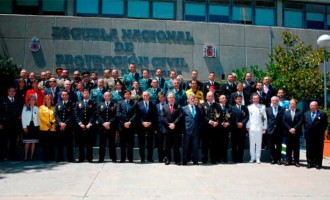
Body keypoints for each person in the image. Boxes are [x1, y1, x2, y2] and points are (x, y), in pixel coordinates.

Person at [302, 101, 328, 169]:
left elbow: (325, 124)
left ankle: (318, 164)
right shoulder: (306, 114)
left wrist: (321, 132)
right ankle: (310, 163)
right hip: (309, 135)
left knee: (318, 150)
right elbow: (305, 124)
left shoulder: (322, 114)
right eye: (311, 105)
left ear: (317, 106)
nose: (312, 107)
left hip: (318, 135)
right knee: (309, 149)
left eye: (313, 105)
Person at [0, 87, 22, 161]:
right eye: (11, 91)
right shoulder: (3, 100)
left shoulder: (17, 101)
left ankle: (13, 156)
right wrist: (0, 123)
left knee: (13, 141)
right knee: (3, 141)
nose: (12, 93)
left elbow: (19, 112)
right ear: (8, 92)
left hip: (15, 124)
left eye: (14, 91)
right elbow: (1, 113)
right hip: (5, 124)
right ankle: (2, 156)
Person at [136, 91, 158, 162]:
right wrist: (142, 122)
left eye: (147, 95)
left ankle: (149, 158)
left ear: (149, 96)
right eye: (144, 95)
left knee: (150, 143)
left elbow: (154, 115)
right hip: (141, 126)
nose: (145, 97)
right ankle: (142, 158)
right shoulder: (138, 104)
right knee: (141, 143)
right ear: (142, 96)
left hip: (150, 126)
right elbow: (137, 115)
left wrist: (150, 122)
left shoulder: (153, 104)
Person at [75, 89, 96, 162]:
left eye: (87, 93)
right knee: (81, 143)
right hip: (81, 126)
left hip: (89, 126)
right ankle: (81, 157)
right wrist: (80, 123)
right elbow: (76, 114)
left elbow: (94, 114)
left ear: (89, 94)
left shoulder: (92, 103)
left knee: (89, 143)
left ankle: (89, 158)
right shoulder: (78, 103)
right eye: (84, 93)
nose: (86, 94)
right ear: (82, 94)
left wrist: (90, 124)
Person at [162, 92, 183, 165]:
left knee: (176, 146)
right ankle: (167, 159)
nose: (171, 99)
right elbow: (163, 117)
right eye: (169, 98)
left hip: (176, 129)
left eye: (172, 97)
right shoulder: (164, 107)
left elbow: (180, 116)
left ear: (174, 98)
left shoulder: (179, 106)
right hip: (167, 129)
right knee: (167, 146)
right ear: (167, 99)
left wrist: (174, 124)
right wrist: (169, 124)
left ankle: (177, 160)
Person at [201, 91, 221, 164]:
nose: (210, 97)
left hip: (215, 128)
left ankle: (213, 159)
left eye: (212, 96)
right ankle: (204, 159)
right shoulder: (203, 105)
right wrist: (209, 121)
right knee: (205, 144)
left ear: (213, 97)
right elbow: (202, 116)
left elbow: (220, 115)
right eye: (209, 96)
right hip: (206, 128)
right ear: (206, 97)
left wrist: (217, 122)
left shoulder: (217, 105)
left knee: (214, 144)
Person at [246, 93, 267, 164]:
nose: (255, 100)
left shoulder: (262, 107)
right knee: (251, 144)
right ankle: (252, 158)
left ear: (259, 99)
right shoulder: (249, 107)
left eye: (257, 98)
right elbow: (248, 118)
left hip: (259, 127)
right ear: (252, 99)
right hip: (251, 128)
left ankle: (258, 158)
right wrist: (247, 126)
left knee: (259, 143)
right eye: (254, 98)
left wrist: (264, 128)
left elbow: (264, 118)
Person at [54, 90, 75, 162]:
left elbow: (72, 115)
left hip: (68, 126)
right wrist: (60, 123)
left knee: (69, 143)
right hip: (59, 126)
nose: (64, 96)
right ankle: (59, 158)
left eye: (65, 95)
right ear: (61, 96)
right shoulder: (58, 104)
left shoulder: (72, 104)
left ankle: (70, 158)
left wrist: (65, 123)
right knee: (59, 143)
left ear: (68, 96)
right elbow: (56, 115)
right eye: (63, 95)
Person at [117, 90, 137, 163]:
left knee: (130, 143)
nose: (127, 95)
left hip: (131, 126)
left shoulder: (134, 103)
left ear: (130, 95)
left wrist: (129, 122)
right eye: (126, 94)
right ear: (124, 95)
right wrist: (124, 122)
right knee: (122, 143)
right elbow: (118, 114)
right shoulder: (120, 103)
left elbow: (135, 114)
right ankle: (122, 158)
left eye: (128, 94)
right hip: (122, 126)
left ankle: (130, 158)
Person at [181, 94, 202, 165]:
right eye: (191, 99)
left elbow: (199, 119)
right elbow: (181, 120)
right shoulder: (184, 108)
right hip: (187, 130)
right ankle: (184, 160)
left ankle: (195, 161)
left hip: (196, 130)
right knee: (186, 146)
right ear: (188, 100)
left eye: (193, 98)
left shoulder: (198, 108)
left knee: (195, 146)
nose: (192, 100)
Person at [97, 92, 117, 163]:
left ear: (110, 96)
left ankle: (113, 158)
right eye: (105, 96)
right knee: (102, 144)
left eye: (108, 95)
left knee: (112, 143)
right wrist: (103, 123)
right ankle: (101, 158)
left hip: (111, 127)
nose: (107, 97)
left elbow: (115, 115)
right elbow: (98, 115)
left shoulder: (114, 105)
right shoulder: (100, 105)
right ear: (103, 96)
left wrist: (109, 122)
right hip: (102, 127)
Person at [283, 99, 303, 167]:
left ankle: (296, 161)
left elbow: (300, 122)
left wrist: (294, 128)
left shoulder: (300, 112)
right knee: (288, 147)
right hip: (288, 132)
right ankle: (288, 160)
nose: (291, 105)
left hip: (296, 132)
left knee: (296, 148)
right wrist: (289, 129)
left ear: (296, 104)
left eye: (293, 103)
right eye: (290, 104)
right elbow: (284, 121)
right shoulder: (286, 112)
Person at [266, 96, 285, 165]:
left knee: (279, 145)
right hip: (271, 130)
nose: (274, 102)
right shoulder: (267, 109)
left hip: (279, 130)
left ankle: (279, 159)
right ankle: (273, 159)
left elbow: (284, 120)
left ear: (278, 101)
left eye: (276, 100)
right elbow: (266, 120)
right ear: (271, 101)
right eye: (273, 100)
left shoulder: (282, 109)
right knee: (271, 146)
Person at [230, 95, 249, 163]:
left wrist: (242, 123)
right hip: (234, 128)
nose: (239, 100)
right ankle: (234, 159)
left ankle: (240, 158)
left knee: (241, 144)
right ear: (235, 100)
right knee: (234, 144)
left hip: (242, 129)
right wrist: (236, 123)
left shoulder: (244, 107)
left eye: (240, 99)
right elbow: (230, 117)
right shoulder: (232, 107)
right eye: (238, 99)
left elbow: (247, 116)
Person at [21, 95, 40, 161]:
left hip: (35, 126)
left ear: (35, 101)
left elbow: (39, 118)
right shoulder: (25, 107)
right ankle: (25, 156)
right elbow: (23, 117)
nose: (32, 101)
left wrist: (39, 126)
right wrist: (24, 127)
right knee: (27, 142)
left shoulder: (37, 108)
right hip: (27, 126)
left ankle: (32, 157)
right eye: (31, 99)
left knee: (33, 142)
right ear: (29, 100)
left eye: (33, 99)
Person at [39, 94, 56, 162]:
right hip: (44, 128)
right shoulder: (41, 107)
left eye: (49, 99)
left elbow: (56, 116)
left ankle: (51, 157)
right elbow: (41, 116)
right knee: (45, 144)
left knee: (52, 144)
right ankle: (45, 158)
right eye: (46, 99)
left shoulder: (54, 108)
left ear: (51, 100)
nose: (48, 100)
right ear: (44, 100)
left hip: (52, 128)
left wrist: (51, 122)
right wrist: (47, 123)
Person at [218, 95, 231, 163]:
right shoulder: (217, 107)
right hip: (219, 128)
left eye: (225, 98)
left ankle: (224, 158)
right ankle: (218, 158)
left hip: (226, 128)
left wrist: (228, 123)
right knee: (218, 144)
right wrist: (222, 123)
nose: (224, 99)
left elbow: (230, 116)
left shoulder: (228, 107)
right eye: (223, 98)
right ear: (220, 100)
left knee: (225, 144)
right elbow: (216, 116)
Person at [156, 92, 167, 162]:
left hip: (166, 127)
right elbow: (155, 117)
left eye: (162, 97)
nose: (161, 98)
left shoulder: (168, 105)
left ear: (165, 97)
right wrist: (155, 128)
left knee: (166, 143)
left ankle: (166, 157)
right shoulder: (156, 106)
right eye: (160, 97)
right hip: (159, 127)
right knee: (160, 143)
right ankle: (160, 157)